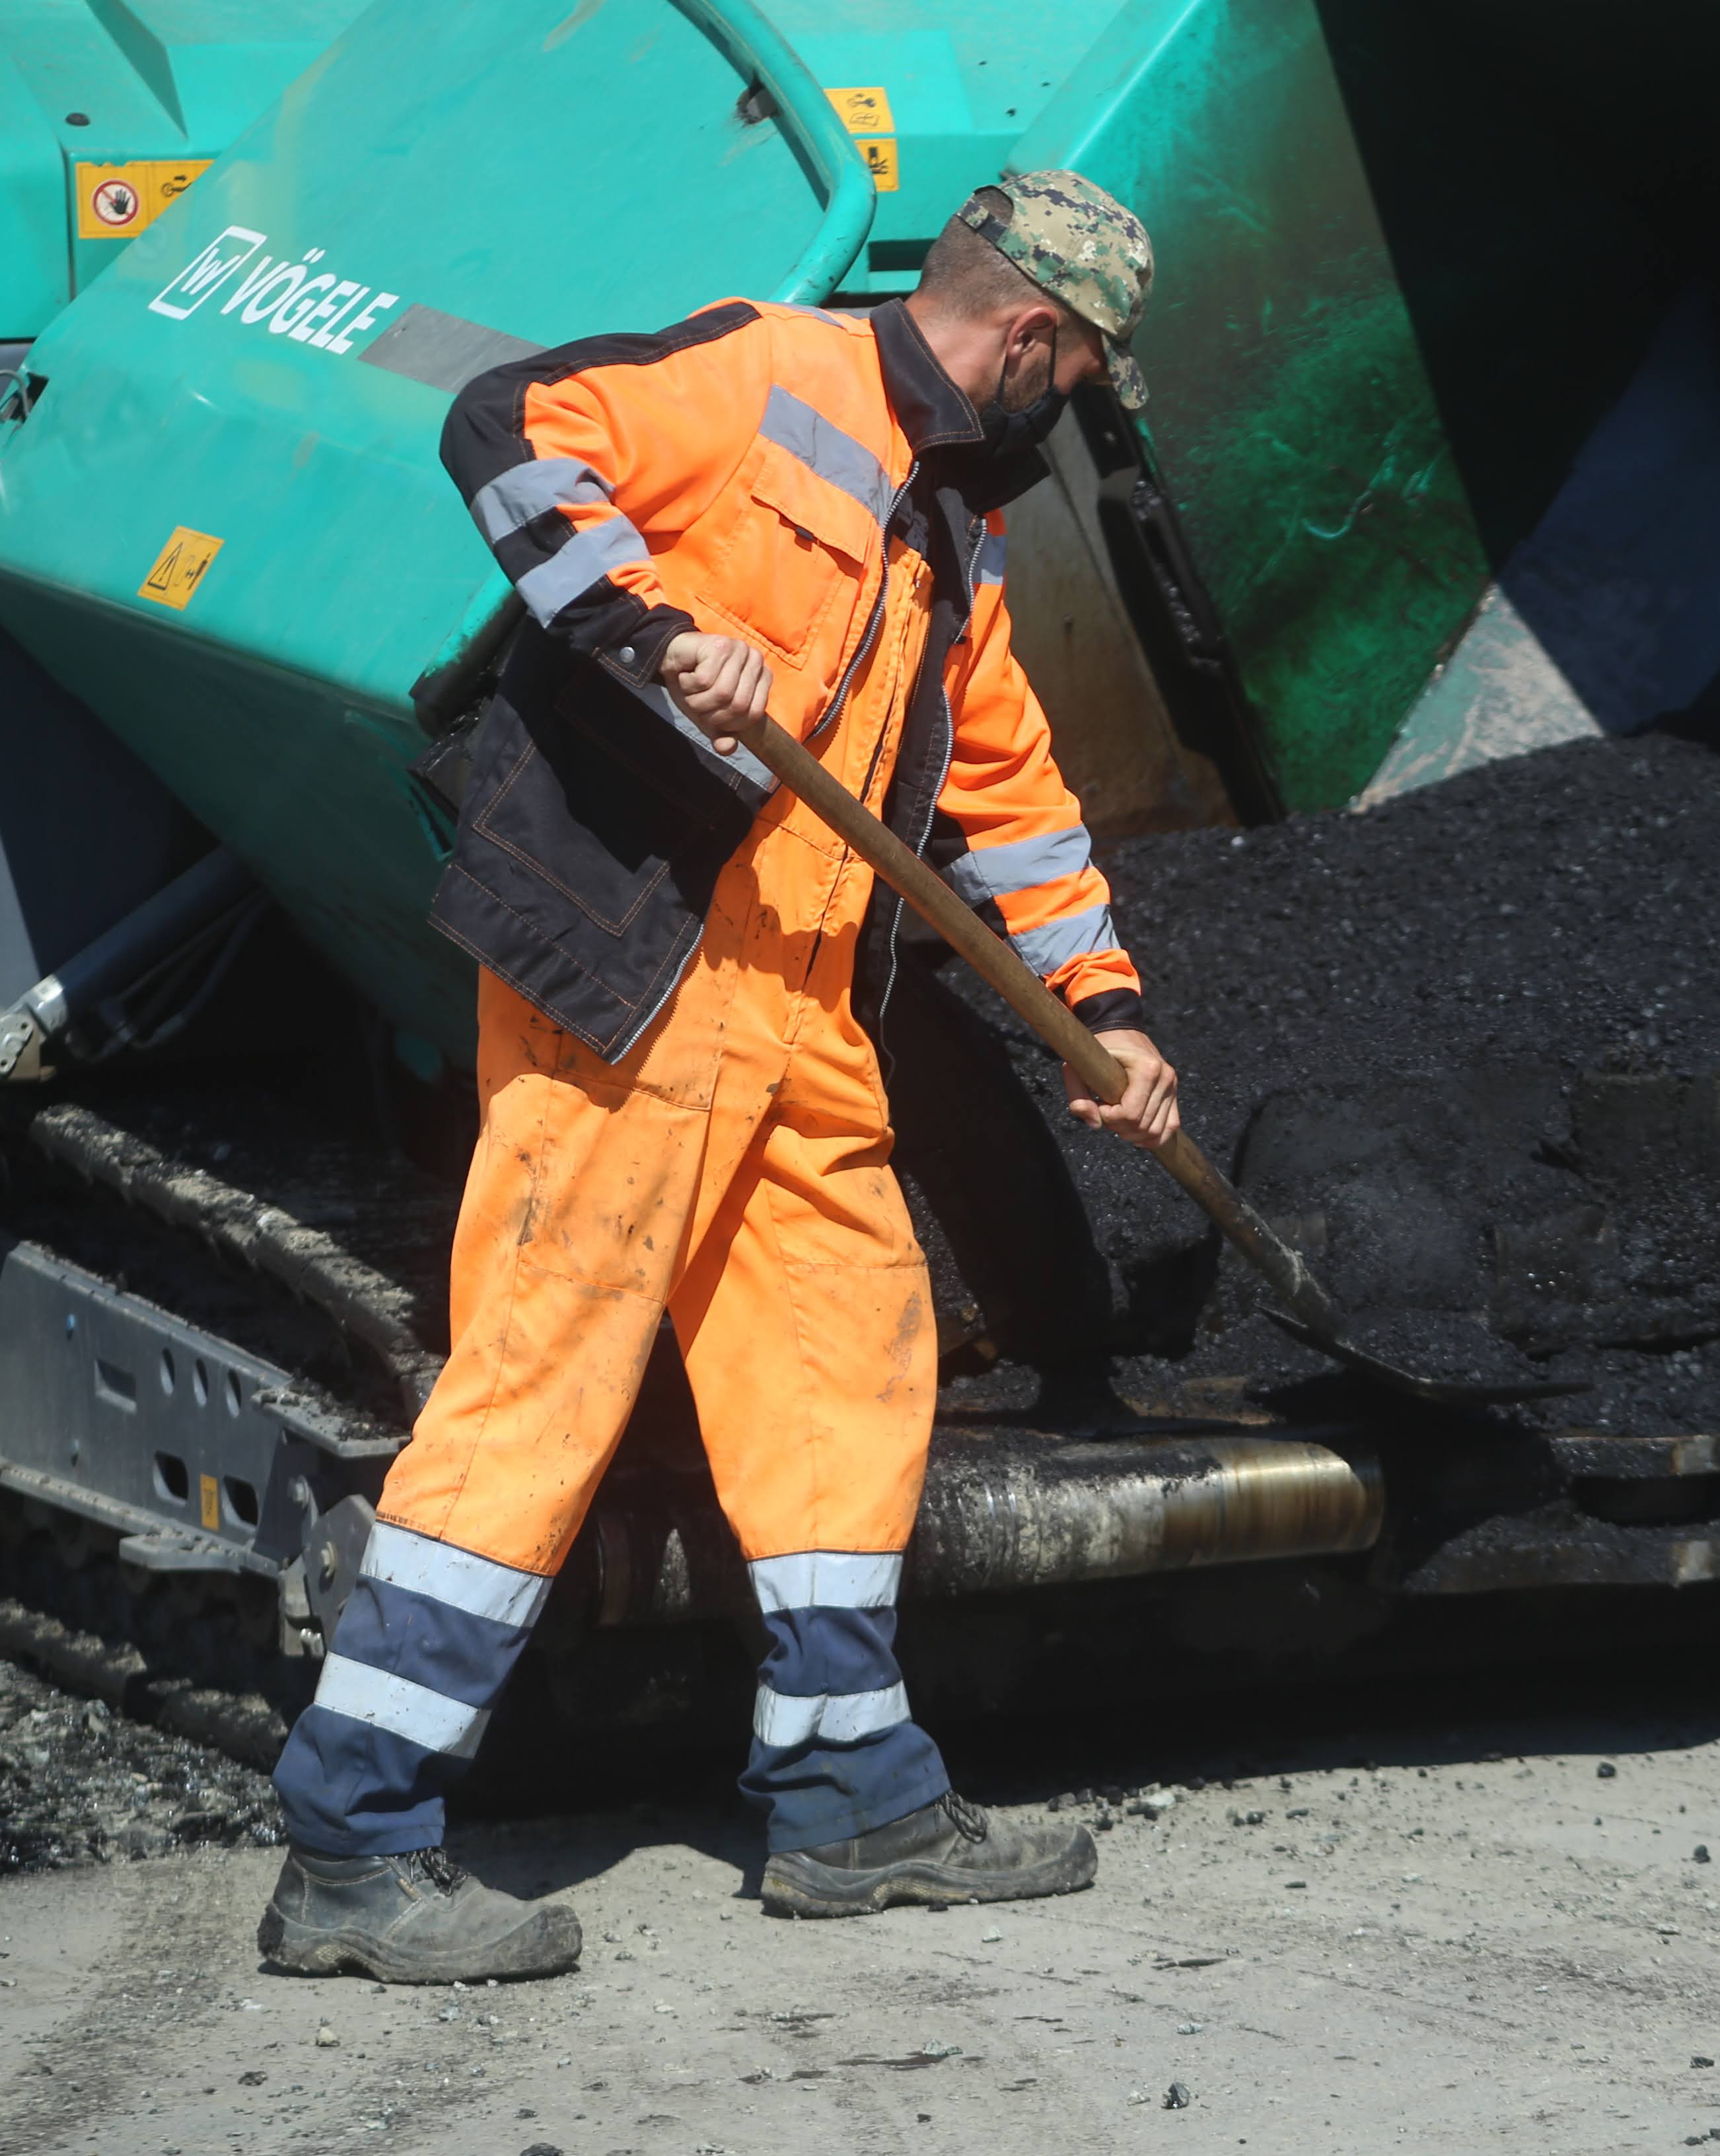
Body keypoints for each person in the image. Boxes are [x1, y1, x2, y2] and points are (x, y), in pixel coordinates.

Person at [256, 173, 1178, 1982]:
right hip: (640, 972)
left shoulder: (952, 528)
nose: (1071, 403)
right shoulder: (769, 378)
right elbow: (504, 425)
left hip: (803, 1006)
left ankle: (851, 1797)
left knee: (847, 1364)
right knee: (541, 1380)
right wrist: (643, 623)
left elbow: (1010, 791)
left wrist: (1108, 1004)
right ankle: (351, 1837)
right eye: (1078, 370)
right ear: (1030, 335)